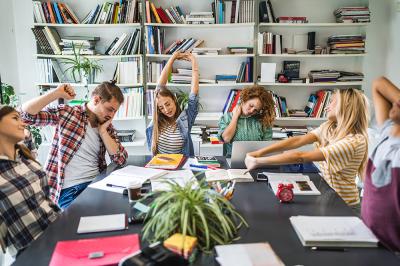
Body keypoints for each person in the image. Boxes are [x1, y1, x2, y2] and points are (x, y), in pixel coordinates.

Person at [245, 88, 369, 213]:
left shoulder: (353, 142)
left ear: (345, 106)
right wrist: (259, 153)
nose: (327, 107)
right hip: (328, 196)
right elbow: (298, 140)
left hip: (345, 206)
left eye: (332, 102)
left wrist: (258, 161)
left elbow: (301, 156)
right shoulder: (330, 127)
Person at [20, 81, 128, 209]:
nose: (111, 115)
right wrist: (56, 93)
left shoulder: (107, 127)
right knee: (83, 224)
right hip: (70, 190)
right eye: (109, 109)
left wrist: (103, 131)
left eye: (115, 112)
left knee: (123, 208)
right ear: (96, 99)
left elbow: (120, 159)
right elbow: (24, 116)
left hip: (96, 184)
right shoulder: (67, 113)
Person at [0, 105, 59, 255]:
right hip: (33, 250)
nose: (23, 123)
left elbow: (46, 199)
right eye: (15, 118)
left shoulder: (24, 154)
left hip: (58, 230)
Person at [361, 77, 400, 252]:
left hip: (393, 251)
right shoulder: (387, 133)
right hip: (370, 240)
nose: (397, 101)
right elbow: (378, 84)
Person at [146, 52, 199, 156]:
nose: (166, 110)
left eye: (168, 104)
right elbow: (160, 86)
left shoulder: (186, 119)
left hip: (180, 168)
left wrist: (194, 62)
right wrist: (173, 57)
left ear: (174, 100)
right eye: (161, 107)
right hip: (160, 167)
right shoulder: (157, 119)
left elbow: (194, 95)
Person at [218, 86, 275, 157]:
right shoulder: (227, 118)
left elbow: (267, 148)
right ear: (245, 99)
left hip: (256, 161)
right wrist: (235, 116)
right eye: (251, 105)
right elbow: (226, 138)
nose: (251, 111)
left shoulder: (262, 121)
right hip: (232, 161)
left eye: (256, 110)